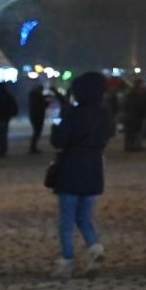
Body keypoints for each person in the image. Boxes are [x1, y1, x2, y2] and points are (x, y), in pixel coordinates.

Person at [49, 72, 113, 278]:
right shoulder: (104, 114)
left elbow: (59, 141)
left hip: (71, 168)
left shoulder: (74, 114)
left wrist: (56, 126)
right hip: (94, 168)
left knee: (67, 220)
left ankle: (66, 261)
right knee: (85, 217)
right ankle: (94, 247)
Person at [0, 81, 18, 157]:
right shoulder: (6, 95)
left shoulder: (2, 96)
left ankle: (1, 150)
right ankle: (2, 150)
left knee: (1, 135)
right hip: (4, 118)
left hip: (2, 118)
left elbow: (0, 108)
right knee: (2, 135)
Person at [27, 83, 48, 153]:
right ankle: (33, 148)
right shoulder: (37, 96)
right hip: (37, 116)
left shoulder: (34, 96)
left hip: (35, 116)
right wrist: (46, 103)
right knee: (37, 132)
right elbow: (42, 105)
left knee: (36, 132)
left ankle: (33, 147)